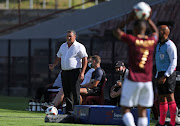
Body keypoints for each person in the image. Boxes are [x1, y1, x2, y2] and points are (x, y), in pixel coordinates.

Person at [113, 11, 159, 126]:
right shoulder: (151, 42)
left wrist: (129, 19)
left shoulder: (132, 40)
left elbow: (116, 31)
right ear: (144, 29)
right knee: (142, 110)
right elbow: (156, 33)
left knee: (125, 109)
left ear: (134, 30)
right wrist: (148, 19)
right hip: (147, 81)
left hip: (133, 79)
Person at [49, 30, 88, 114]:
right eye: (67, 36)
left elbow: (85, 59)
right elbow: (59, 56)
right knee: (67, 92)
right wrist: (54, 65)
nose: (69, 38)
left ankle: (77, 111)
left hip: (75, 71)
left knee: (75, 92)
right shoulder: (63, 46)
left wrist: (82, 73)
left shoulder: (79, 46)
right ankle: (69, 111)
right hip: (65, 72)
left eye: (70, 36)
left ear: (75, 37)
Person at [155, 25, 177, 126]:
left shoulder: (170, 45)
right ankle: (162, 121)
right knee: (161, 97)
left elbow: (173, 62)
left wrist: (165, 76)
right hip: (159, 73)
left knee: (170, 97)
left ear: (164, 33)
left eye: (159, 30)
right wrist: (158, 75)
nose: (157, 32)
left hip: (168, 74)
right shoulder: (159, 44)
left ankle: (173, 121)